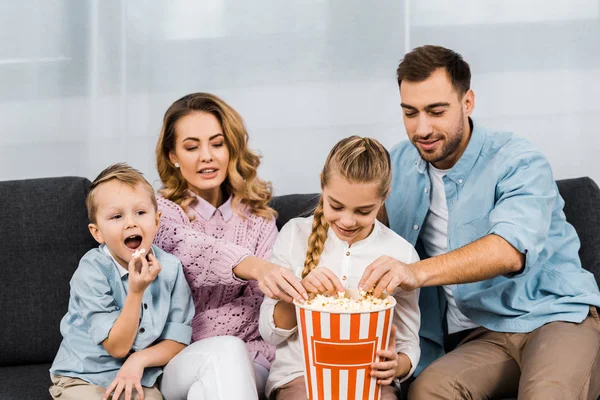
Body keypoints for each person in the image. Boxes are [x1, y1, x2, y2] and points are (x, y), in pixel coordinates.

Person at [358, 45, 600, 399]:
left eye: (436, 111)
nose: (422, 128)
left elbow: (508, 251)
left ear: (467, 102)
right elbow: (347, 218)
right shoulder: (395, 165)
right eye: (410, 113)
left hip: (554, 317)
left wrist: (417, 272)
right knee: (428, 391)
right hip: (481, 336)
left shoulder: (519, 160)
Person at [153, 93, 307, 400]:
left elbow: (265, 309)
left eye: (217, 143)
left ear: (231, 148)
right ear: (173, 156)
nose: (206, 156)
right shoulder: (159, 214)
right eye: (192, 146)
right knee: (225, 349)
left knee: (214, 381)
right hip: (179, 359)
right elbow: (190, 250)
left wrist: (201, 322)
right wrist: (255, 267)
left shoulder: (260, 221)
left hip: (253, 360)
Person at [260, 136, 421, 400]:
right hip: (300, 376)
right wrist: (301, 295)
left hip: (370, 380)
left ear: (385, 197)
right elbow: (270, 333)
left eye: (363, 211)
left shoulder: (400, 255)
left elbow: (406, 340)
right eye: (336, 205)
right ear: (322, 183)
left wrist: (398, 365)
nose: (347, 220)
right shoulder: (293, 235)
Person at [49, 163, 195, 400]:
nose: (131, 223)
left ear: (156, 221)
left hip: (138, 375)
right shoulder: (92, 271)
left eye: (140, 213)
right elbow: (117, 347)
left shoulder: (170, 268)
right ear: (98, 233)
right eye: (117, 216)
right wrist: (136, 293)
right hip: (83, 375)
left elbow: (177, 338)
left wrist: (140, 360)